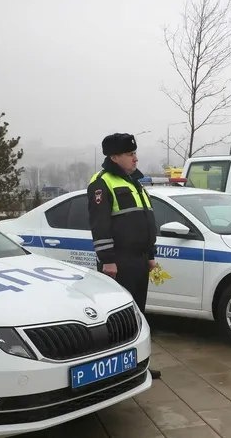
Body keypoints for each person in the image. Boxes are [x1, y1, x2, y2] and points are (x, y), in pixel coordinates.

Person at [87, 133, 160, 378]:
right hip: (119, 262)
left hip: (139, 260)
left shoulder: (134, 182)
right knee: (119, 318)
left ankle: (138, 362)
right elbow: (100, 225)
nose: (135, 158)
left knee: (138, 315)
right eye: (130, 154)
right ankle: (116, 369)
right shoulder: (102, 182)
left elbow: (145, 222)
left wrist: (150, 255)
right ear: (114, 157)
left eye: (135, 153)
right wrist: (108, 260)